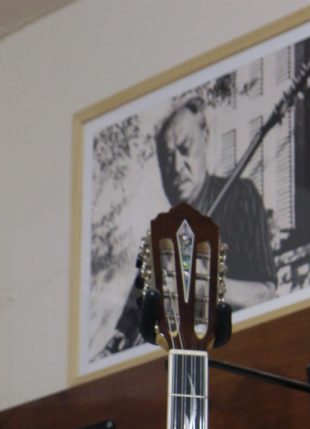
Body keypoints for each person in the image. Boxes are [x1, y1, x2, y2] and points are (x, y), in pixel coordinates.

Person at [104, 97, 277, 354]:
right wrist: (118, 341)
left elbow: (266, 293)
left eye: (185, 148)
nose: (176, 167)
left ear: (205, 137)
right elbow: (130, 323)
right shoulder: (161, 236)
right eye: (167, 158)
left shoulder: (240, 196)